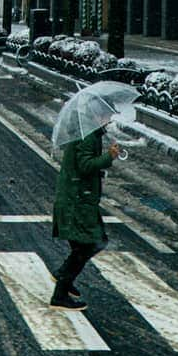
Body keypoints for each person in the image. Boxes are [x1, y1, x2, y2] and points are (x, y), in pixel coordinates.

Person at [50, 124, 119, 309]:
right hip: (77, 201)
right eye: (107, 115)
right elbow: (85, 165)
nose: (109, 119)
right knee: (89, 244)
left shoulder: (89, 131)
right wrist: (108, 157)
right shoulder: (88, 135)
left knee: (86, 245)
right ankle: (60, 294)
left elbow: (83, 165)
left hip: (79, 198)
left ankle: (63, 276)